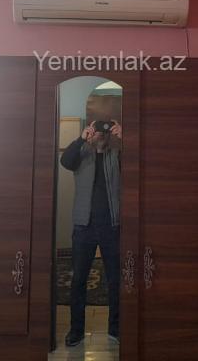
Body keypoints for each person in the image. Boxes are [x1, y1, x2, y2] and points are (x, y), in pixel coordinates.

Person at [59, 119, 122, 347]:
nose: (100, 133)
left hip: (111, 226)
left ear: (110, 134)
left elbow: (139, 162)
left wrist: (126, 138)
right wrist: (80, 139)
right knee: (78, 280)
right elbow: (65, 161)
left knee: (115, 279)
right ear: (90, 132)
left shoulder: (117, 156)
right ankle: (76, 330)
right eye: (96, 129)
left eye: (105, 129)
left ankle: (116, 328)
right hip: (83, 226)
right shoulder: (82, 155)